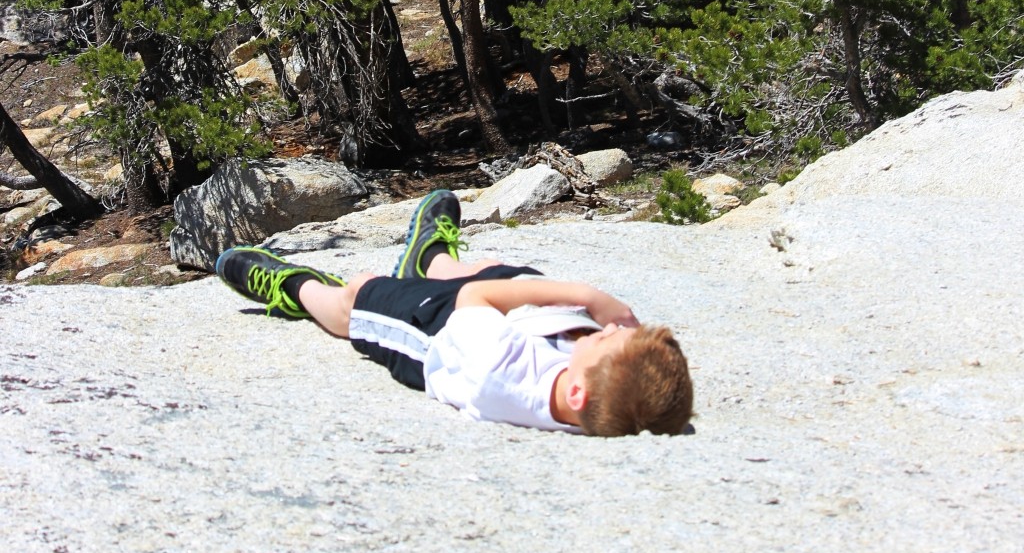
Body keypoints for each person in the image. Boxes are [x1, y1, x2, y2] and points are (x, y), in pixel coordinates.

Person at [216, 190, 693, 436]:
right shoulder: (591, 391)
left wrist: (586, 294)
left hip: (437, 335)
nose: (606, 329)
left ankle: (295, 288)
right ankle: (431, 260)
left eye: (605, 339)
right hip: (505, 321)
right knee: (502, 271)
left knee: (361, 295)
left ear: (575, 388)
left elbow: (475, 300)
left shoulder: (497, 375)